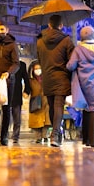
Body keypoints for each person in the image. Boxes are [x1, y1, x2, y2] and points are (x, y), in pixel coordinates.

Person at [37, 14, 75, 148]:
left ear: (49, 25)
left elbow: (40, 60)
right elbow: (72, 61)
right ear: (61, 26)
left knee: (52, 106)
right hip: (61, 77)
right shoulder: (66, 41)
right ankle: (55, 134)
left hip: (47, 77)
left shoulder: (40, 41)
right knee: (59, 105)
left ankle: (54, 132)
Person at [25, 59, 51, 144]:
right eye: (35, 68)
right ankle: (38, 137)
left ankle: (45, 136)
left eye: (39, 68)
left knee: (46, 121)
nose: (37, 70)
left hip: (46, 101)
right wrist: (25, 93)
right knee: (36, 122)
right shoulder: (30, 80)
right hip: (35, 102)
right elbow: (27, 89)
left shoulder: (47, 78)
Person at [8, 59, 30, 144]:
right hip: (5, 94)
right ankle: (3, 135)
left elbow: (26, 79)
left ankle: (15, 137)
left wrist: (27, 91)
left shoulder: (22, 65)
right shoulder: (5, 63)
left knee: (17, 118)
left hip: (17, 94)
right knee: (6, 118)